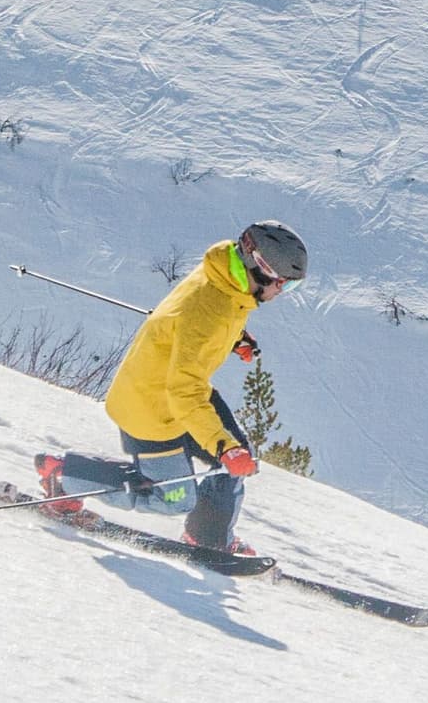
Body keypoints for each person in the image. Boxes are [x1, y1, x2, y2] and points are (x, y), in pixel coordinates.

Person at [39, 220, 307, 557]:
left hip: (178, 391)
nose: (284, 292)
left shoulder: (228, 275)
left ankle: (207, 537)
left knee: (235, 458)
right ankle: (65, 478)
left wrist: (234, 339)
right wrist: (223, 446)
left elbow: (195, 329)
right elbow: (187, 374)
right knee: (171, 499)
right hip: (152, 408)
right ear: (262, 269)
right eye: (286, 285)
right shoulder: (212, 309)